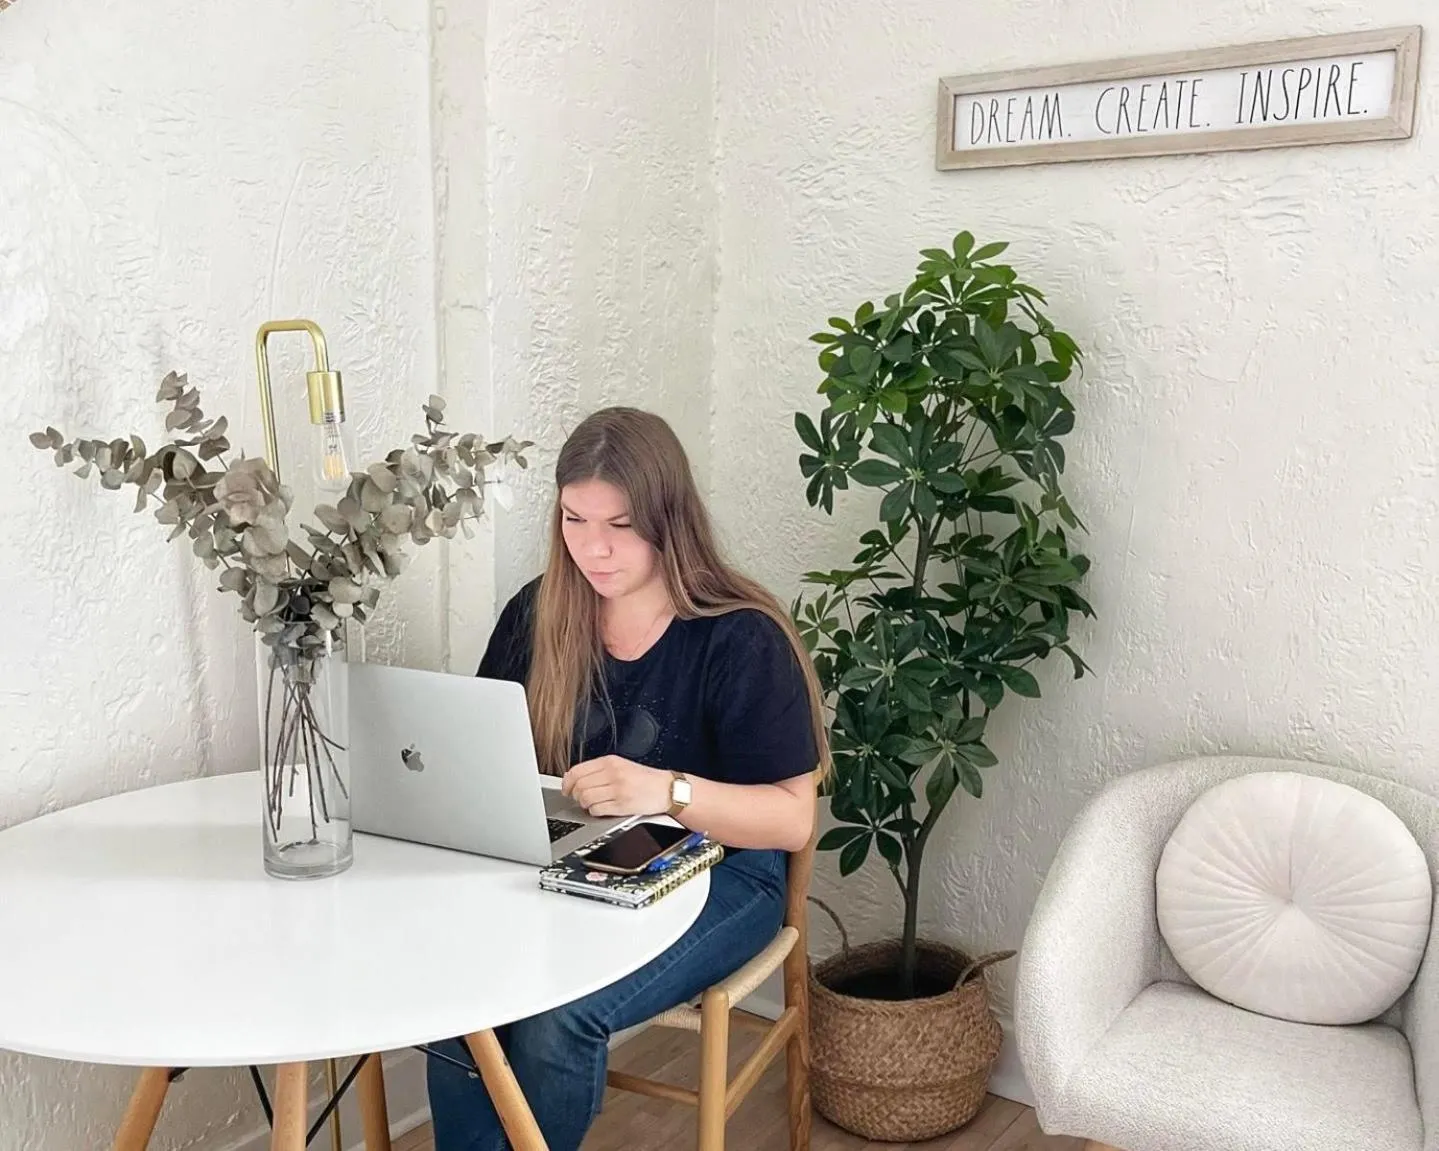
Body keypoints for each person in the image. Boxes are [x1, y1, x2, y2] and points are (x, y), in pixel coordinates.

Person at [425, 406, 829, 1151]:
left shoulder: (739, 634)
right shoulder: (538, 611)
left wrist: (666, 790)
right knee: (460, 990)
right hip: (579, 861)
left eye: (620, 524)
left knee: (558, 1015)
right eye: (575, 519)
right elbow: (482, 758)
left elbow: (790, 820)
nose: (594, 548)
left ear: (668, 518)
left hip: (726, 874)